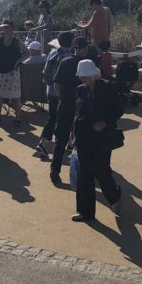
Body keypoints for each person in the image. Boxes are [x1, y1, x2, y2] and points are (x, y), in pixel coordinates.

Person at [70, 60, 123, 223]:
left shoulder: (108, 88)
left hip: (102, 137)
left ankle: (114, 196)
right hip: (83, 136)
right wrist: (72, 133)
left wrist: (105, 122)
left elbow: (119, 109)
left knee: (101, 170)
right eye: (82, 76)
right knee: (84, 174)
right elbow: (77, 114)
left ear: (94, 74)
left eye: (86, 76)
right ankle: (85, 212)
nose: (83, 79)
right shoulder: (80, 90)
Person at [50, 37, 93, 184]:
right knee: (83, 141)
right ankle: (85, 171)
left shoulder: (65, 62)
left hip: (65, 105)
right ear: (85, 48)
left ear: (74, 48)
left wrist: (63, 98)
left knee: (60, 140)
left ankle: (55, 171)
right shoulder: (88, 63)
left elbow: (57, 84)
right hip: (83, 107)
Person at [36, 31, 74, 160]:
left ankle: (45, 143)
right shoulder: (69, 56)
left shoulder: (53, 52)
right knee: (67, 118)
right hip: (62, 92)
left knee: (52, 117)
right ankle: (65, 143)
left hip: (50, 90)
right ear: (71, 42)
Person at [0, 20, 28, 126]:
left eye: (8, 27)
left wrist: (18, 61)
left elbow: (27, 53)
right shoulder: (0, 39)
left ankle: (17, 118)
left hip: (12, 72)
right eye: (5, 28)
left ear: (12, 29)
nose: (6, 30)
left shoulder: (17, 41)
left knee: (15, 96)